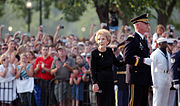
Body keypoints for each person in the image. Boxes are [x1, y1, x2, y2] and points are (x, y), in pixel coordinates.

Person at [123, 13, 152, 106]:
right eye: (145, 23)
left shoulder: (143, 40)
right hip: (135, 78)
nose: (148, 25)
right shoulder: (132, 39)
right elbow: (127, 58)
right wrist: (142, 60)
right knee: (134, 103)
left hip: (144, 78)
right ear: (138, 25)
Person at [91, 29, 124, 106]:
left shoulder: (109, 51)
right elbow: (92, 69)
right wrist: (94, 83)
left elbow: (118, 64)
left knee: (110, 102)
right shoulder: (94, 53)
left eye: (103, 39)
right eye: (99, 39)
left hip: (109, 81)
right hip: (99, 82)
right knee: (101, 102)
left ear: (107, 40)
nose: (101, 41)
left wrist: (127, 59)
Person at [150, 37, 172, 106]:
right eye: (164, 43)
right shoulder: (155, 54)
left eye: (166, 42)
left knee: (165, 100)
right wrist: (154, 82)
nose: (166, 44)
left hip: (167, 76)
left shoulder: (168, 54)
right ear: (159, 44)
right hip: (159, 76)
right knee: (158, 100)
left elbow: (170, 67)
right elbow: (152, 69)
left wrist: (170, 79)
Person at [171, 38, 180, 106]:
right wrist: (176, 81)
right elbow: (174, 68)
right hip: (179, 80)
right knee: (178, 101)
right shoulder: (176, 54)